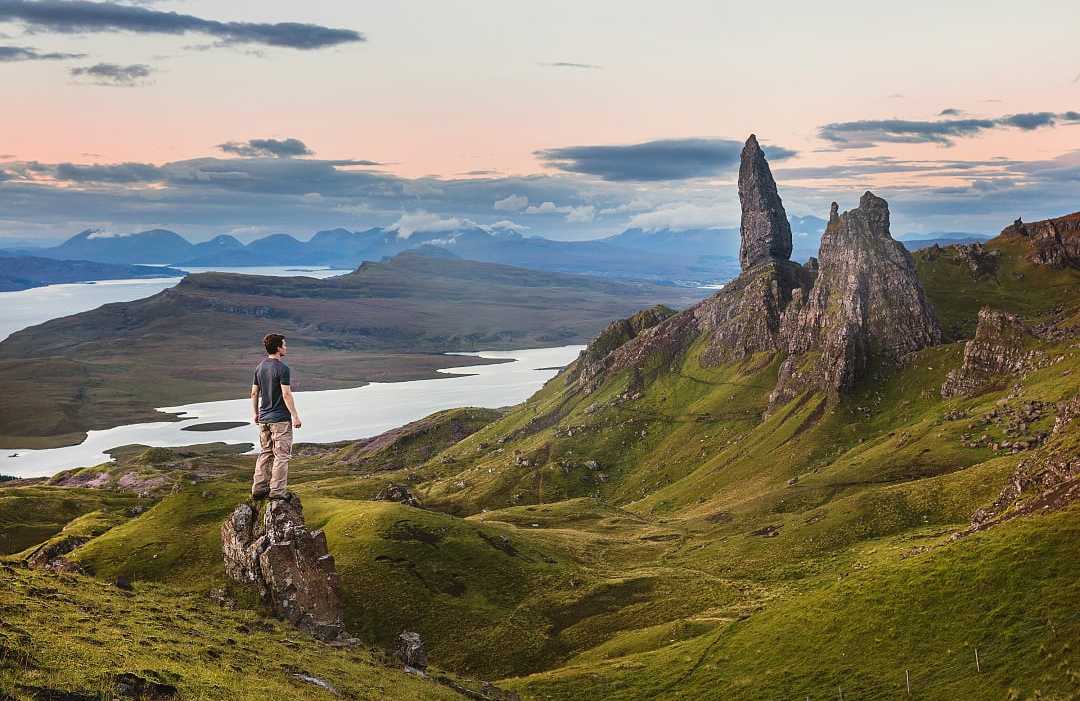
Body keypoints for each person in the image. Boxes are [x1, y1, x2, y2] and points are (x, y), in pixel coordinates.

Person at [250, 333, 302, 500]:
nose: (286, 347)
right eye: (284, 345)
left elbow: (254, 393)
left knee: (265, 452)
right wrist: (295, 416)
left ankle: (259, 488)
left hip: (264, 418)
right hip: (280, 420)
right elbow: (286, 394)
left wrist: (256, 413)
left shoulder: (259, 367)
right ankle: (278, 492)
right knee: (281, 456)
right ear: (278, 348)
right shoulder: (282, 368)